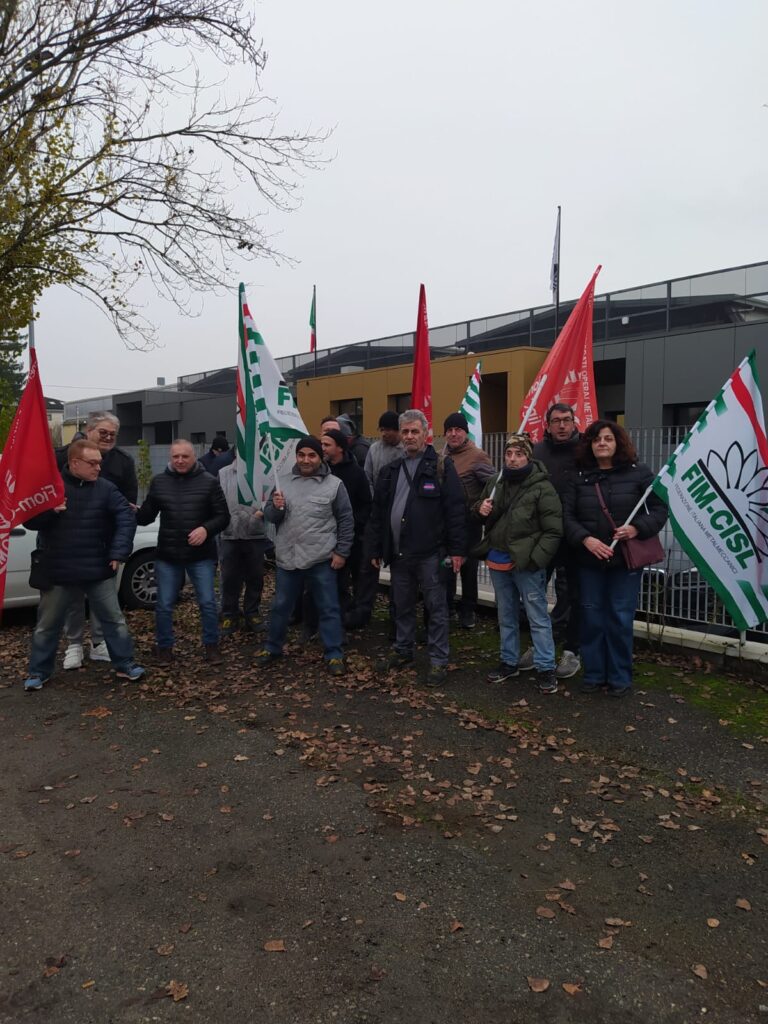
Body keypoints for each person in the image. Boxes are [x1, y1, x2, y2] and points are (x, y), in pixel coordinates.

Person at [23, 439, 145, 692]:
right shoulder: (51, 489)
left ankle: (125, 664)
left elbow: (126, 517)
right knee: (47, 625)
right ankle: (38, 671)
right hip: (58, 569)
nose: (98, 468)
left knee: (114, 620)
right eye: (92, 463)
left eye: (99, 463)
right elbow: (29, 521)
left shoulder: (106, 488)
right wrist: (51, 511)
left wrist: (119, 551)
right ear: (75, 463)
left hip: (98, 567)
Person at [563, 420, 667, 698]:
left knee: (620, 619)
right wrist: (586, 539)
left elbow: (659, 509)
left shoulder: (639, 473)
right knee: (591, 619)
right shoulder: (578, 476)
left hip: (625, 563)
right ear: (589, 444)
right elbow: (566, 516)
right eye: (596, 439)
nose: (602, 443)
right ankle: (594, 675)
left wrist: (636, 528)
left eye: (608, 438)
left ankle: (620, 677)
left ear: (618, 442)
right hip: (588, 562)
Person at [367, 409, 466, 686]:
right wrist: (375, 549)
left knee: (436, 609)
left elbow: (456, 510)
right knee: (402, 606)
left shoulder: (441, 467)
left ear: (426, 434)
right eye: (406, 432)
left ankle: (438, 660)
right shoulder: (390, 471)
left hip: (431, 554)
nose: (409, 436)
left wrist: (457, 551)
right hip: (400, 554)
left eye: (415, 431)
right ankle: (403, 650)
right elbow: (378, 514)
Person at [255, 436, 354, 676]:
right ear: (296, 457)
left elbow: (346, 520)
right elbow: (270, 517)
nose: (306, 460)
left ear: (320, 457)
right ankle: (273, 647)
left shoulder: (334, 485)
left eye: (311, 455)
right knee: (281, 606)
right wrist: (275, 506)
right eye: (301, 455)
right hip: (288, 558)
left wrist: (342, 552)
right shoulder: (282, 483)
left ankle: (334, 653)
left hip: (321, 558)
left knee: (328, 607)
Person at [475, 434, 563, 694]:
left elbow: (553, 530)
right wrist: (480, 508)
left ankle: (545, 667)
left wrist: (535, 560)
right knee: (506, 614)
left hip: (527, 565)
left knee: (537, 616)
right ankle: (509, 661)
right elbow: (479, 512)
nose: (512, 459)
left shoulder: (542, 487)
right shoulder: (495, 482)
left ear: (528, 457)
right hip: (497, 559)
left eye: (519, 454)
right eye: (509, 454)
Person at [55, 411, 138, 670]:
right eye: (103, 432)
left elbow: (128, 505)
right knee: (73, 599)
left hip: (105, 543)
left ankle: (99, 643)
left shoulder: (123, 461)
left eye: (113, 434)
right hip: (68, 541)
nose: (109, 437)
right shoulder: (60, 456)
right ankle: (74, 644)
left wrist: (119, 545)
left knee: (105, 600)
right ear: (89, 430)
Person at [136, 439, 230, 663]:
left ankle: (211, 646)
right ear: (171, 457)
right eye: (175, 456)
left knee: (207, 602)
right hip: (168, 555)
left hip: (200, 556)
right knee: (164, 605)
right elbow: (146, 517)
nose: (180, 460)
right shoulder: (159, 482)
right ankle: (165, 648)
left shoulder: (209, 482)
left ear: (193, 457)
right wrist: (136, 511)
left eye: (184, 456)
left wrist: (206, 529)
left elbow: (223, 517)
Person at [523, 402, 584, 679]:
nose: (561, 425)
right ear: (547, 425)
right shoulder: (537, 452)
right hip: (543, 536)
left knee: (574, 595)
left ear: (574, 422)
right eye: (556, 420)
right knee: (535, 593)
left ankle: (572, 651)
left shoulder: (585, 450)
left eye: (566, 420)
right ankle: (539, 645)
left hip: (575, 536)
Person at [442, 411, 495, 629]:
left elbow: (493, 486)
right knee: (446, 567)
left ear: (465, 432)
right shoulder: (441, 455)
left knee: (469, 568)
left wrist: (481, 507)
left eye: (458, 430)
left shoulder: (477, 456)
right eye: (449, 430)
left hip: (469, 522)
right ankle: (447, 608)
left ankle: (468, 610)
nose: (454, 434)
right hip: (446, 522)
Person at [319, 429, 371, 622]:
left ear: (340, 448)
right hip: (327, 537)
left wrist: (353, 523)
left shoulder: (356, 473)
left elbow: (366, 504)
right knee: (336, 581)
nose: (323, 448)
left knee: (357, 578)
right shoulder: (321, 471)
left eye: (327, 444)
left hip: (354, 537)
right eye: (322, 444)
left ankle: (357, 615)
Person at [217, 461, 272, 636]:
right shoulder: (224, 473)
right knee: (229, 577)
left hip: (255, 534)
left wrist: (259, 514)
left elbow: (271, 498)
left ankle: (252, 613)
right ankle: (229, 614)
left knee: (255, 576)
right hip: (229, 533)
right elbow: (216, 498)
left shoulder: (265, 472)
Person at [364, 411, 404, 492]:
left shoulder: (407, 449)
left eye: (387, 430)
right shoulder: (374, 449)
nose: (383, 434)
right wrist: (373, 497)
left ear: (398, 430)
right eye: (381, 430)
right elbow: (367, 478)